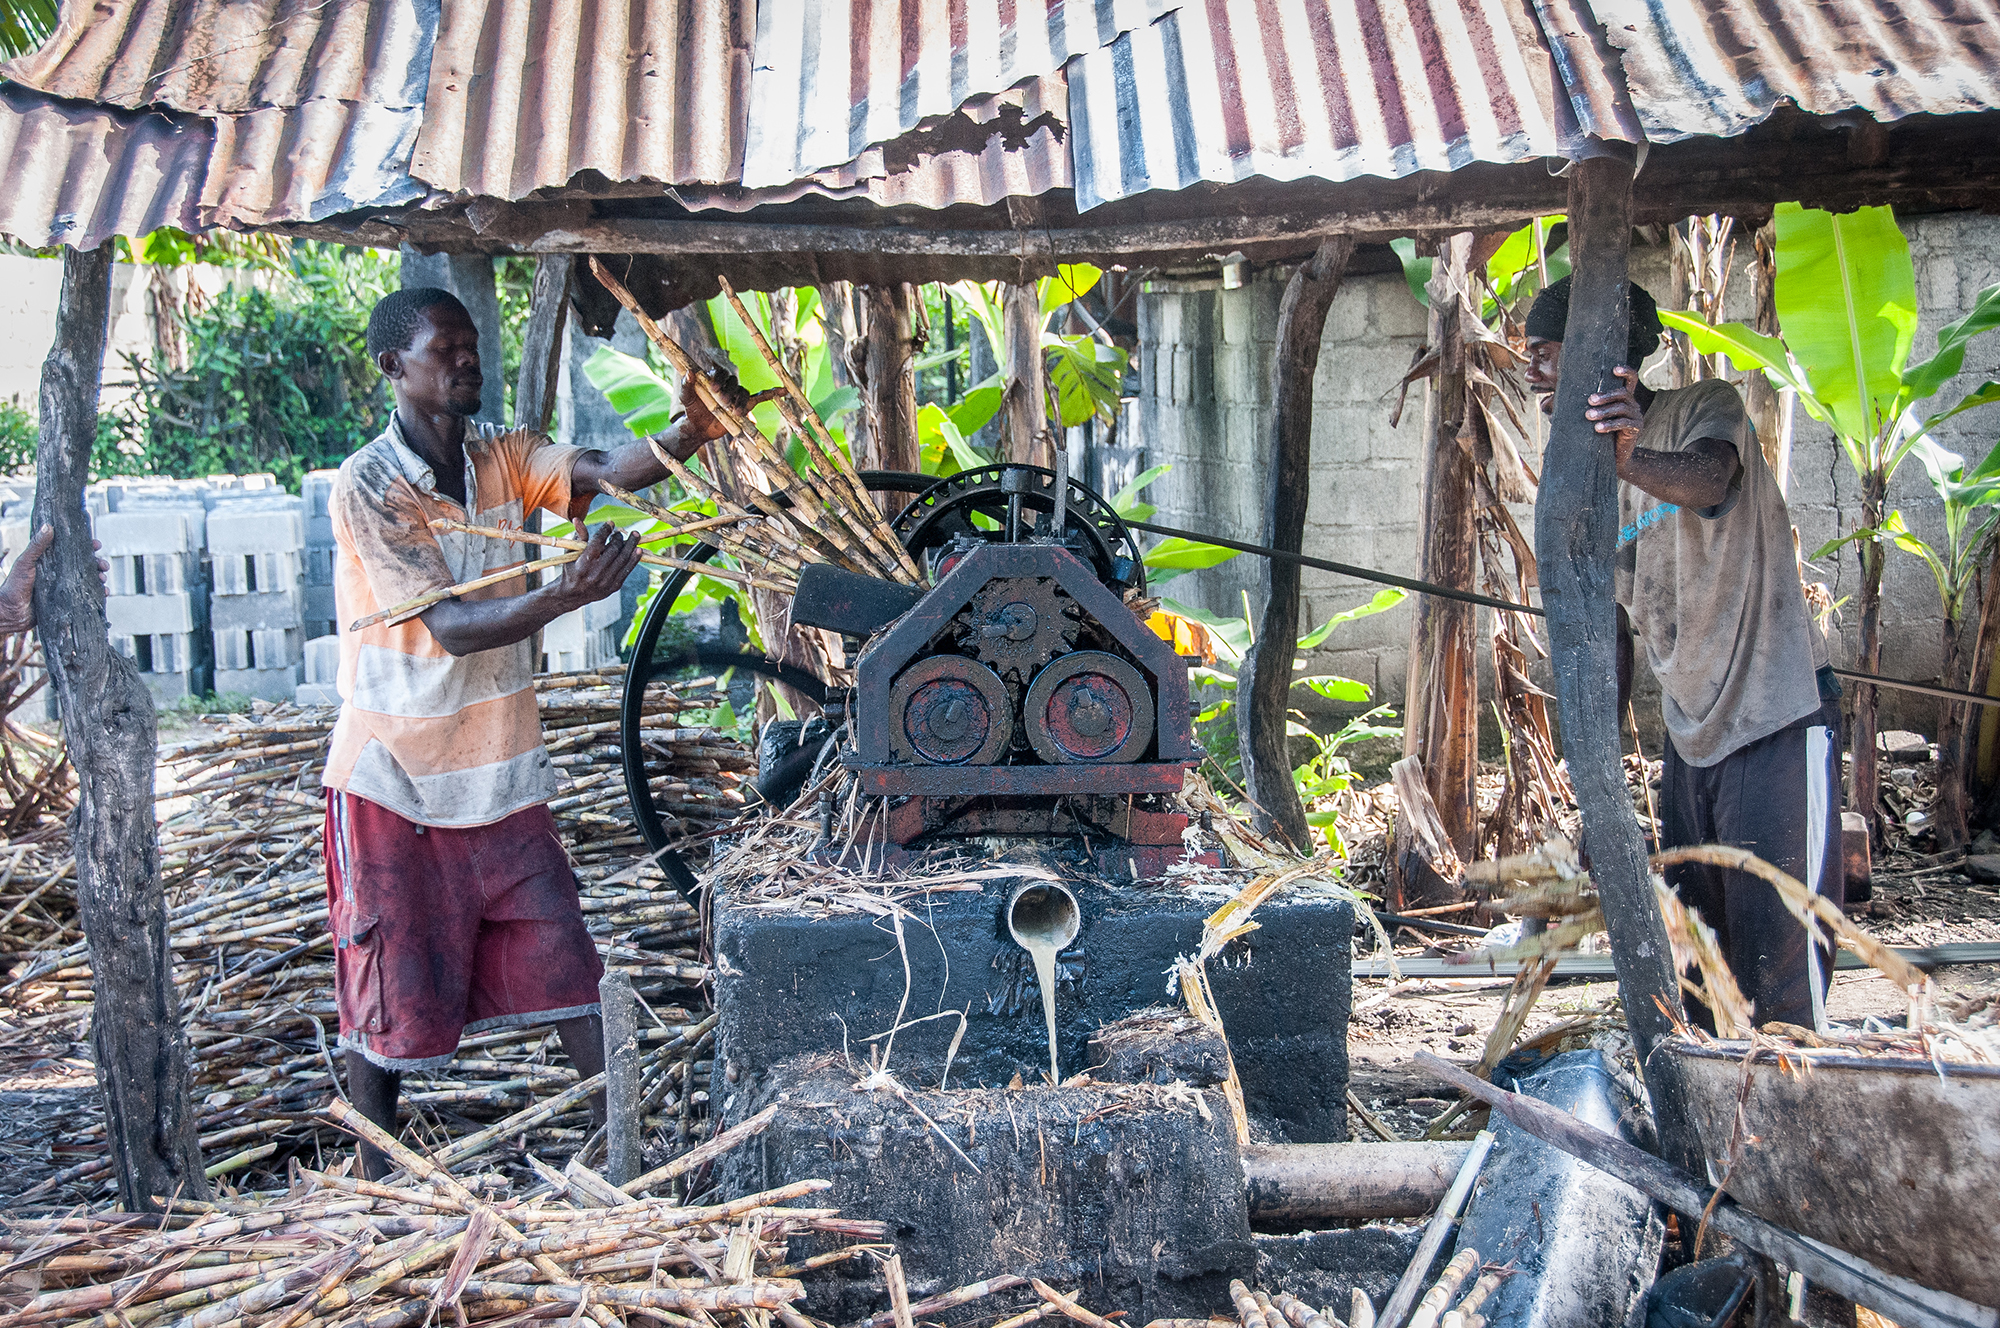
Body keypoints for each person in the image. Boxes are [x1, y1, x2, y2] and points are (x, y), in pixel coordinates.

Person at [327, 287, 747, 1177]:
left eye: (473, 347)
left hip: (503, 783)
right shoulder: (369, 485)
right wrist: (564, 596)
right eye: (446, 349)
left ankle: (631, 1172)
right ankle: (374, 1189)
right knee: (387, 994)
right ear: (393, 368)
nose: (467, 362)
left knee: (569, 970)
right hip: (395, 784)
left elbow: (603, 471)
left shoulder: (504, 459)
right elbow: (447, 625)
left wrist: (688, 435)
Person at [1524, 276, 1843, 1032]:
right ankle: (1717, 1133)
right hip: (1691, 737)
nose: (1530, 367)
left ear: (1597, 355)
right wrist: (1599, 787)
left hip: (1774, 717)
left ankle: (1799, 1118)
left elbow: (1710, 477)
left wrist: (1633, 457)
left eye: (1544, 351)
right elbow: (1614, 627)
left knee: (1783, 975)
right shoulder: (1588, 467)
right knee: (1703, 972)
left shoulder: (1705, 409)